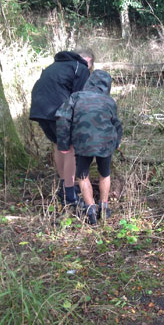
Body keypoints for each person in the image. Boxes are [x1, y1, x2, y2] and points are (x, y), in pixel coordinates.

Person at [56, 70, 123, 225]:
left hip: (82, 142)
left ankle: (91, 210)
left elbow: (62, 118)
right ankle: (104, 207)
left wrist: (63, 144)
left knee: (83, 176)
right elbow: (117, 124)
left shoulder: (75, 97)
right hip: (105, 143)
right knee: (104, 174)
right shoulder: (109, 101)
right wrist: (117, 142)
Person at [29, 48, 94, 205]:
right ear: (89, 61)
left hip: (39, 109)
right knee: (70, 148)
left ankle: (65, 186)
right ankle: (69, 195)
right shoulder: (81, 67)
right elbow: (79, 97)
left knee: (59, 145)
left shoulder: (56, 65)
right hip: (58, 112)